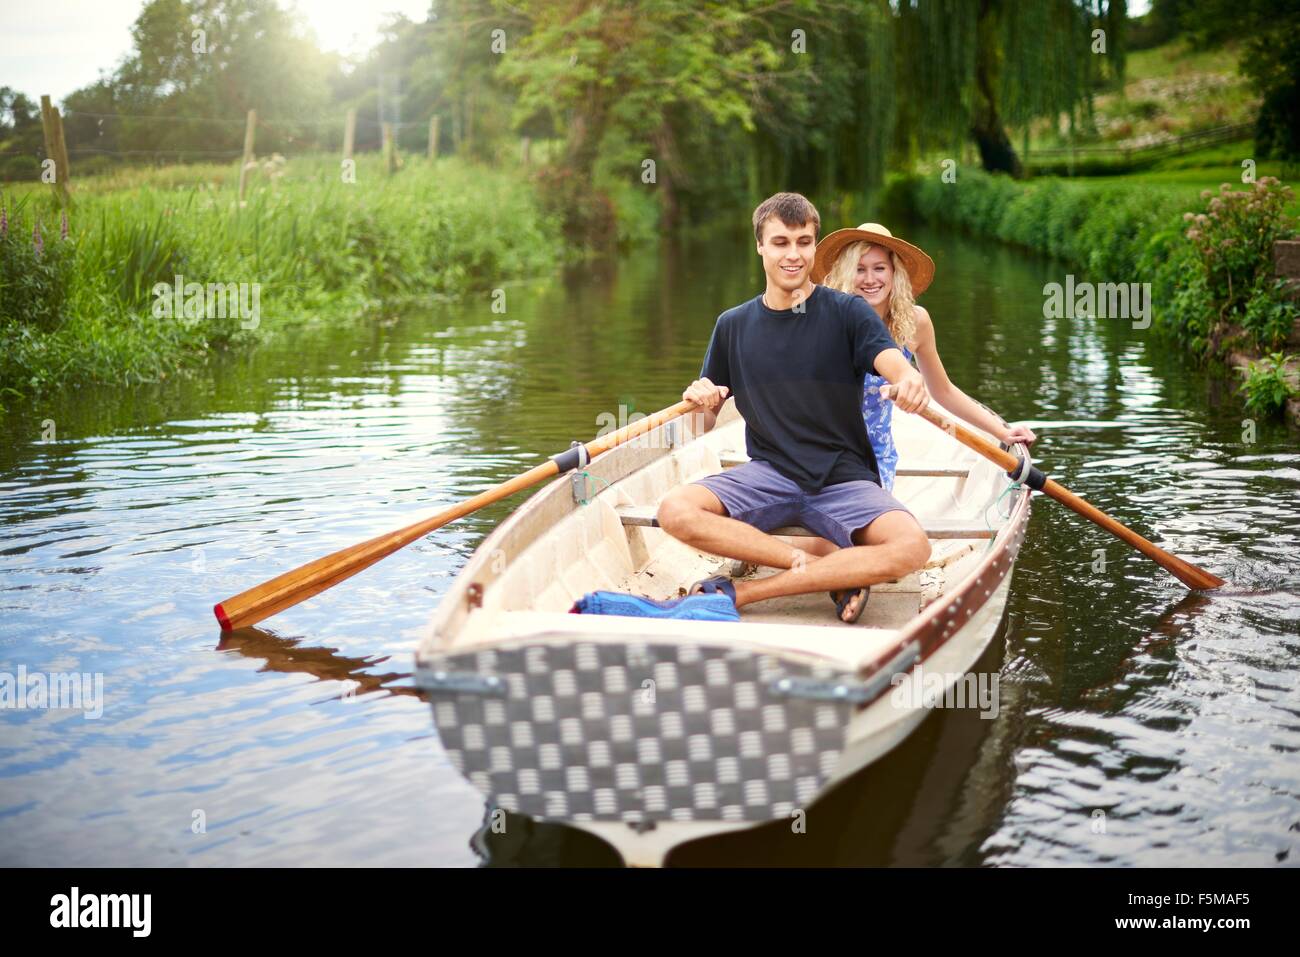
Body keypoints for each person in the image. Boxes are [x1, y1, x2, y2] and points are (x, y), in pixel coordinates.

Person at [652, 193, 934, 624]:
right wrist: (700, 399)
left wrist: (909, 379)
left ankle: (745, 593)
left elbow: (892, 363)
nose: (793, 254)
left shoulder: (848, 312)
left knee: (913, 546)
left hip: (843, 478)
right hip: (769, 474)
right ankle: (824, 568)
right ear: (760, 246)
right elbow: (700, 425)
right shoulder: (733, 325)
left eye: (803, 242)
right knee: (675, 510)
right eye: (781, 242)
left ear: (814, 247)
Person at [812, 223, 1037, 490]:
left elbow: (943, 391)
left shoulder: (915, 322)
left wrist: (1002, 432)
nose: (870, 279)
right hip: (821, 450)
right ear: (847, 274)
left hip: (874, 456)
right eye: (860, 269)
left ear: (895, 272)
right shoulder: (828, 320)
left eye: (879, 268)